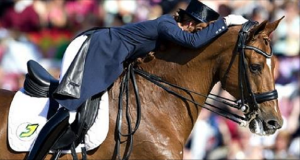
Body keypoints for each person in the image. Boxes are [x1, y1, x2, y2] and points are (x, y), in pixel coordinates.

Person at [27, 0, 248, 159]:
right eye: (197, 29)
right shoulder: (166, 24)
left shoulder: (169, 31)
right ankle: (36, 154)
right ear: (190, 24)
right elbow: (192, 42)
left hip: (106, 55)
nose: (195, 32)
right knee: (71, 110)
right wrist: (226, 22)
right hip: (92, 50)